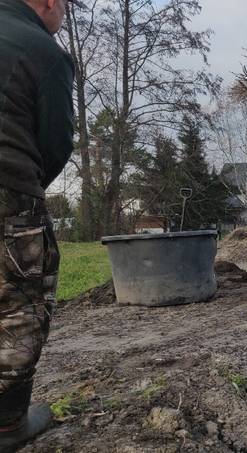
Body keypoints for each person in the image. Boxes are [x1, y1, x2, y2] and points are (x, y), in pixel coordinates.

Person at [0, 0, 80, 449]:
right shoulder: (42, 49)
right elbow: (54, 144)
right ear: (49, 2)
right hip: (6, 184)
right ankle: (7, 426)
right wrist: (25, 197)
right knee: (18, 306)